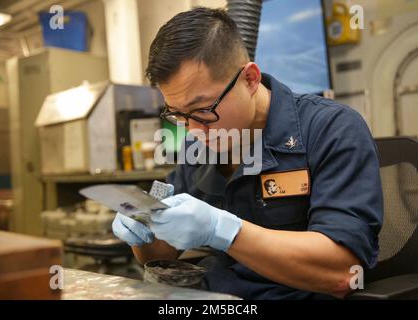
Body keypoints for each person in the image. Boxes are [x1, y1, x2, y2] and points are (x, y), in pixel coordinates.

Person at [112, 7, 383, 300]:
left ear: (250, 79)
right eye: (178, 115)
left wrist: (224, 230)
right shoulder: (198, 145)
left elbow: (342, 272)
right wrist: (143, 228)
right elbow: (160, 252)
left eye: (203, 110)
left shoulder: (331, 129)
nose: (191, 129)